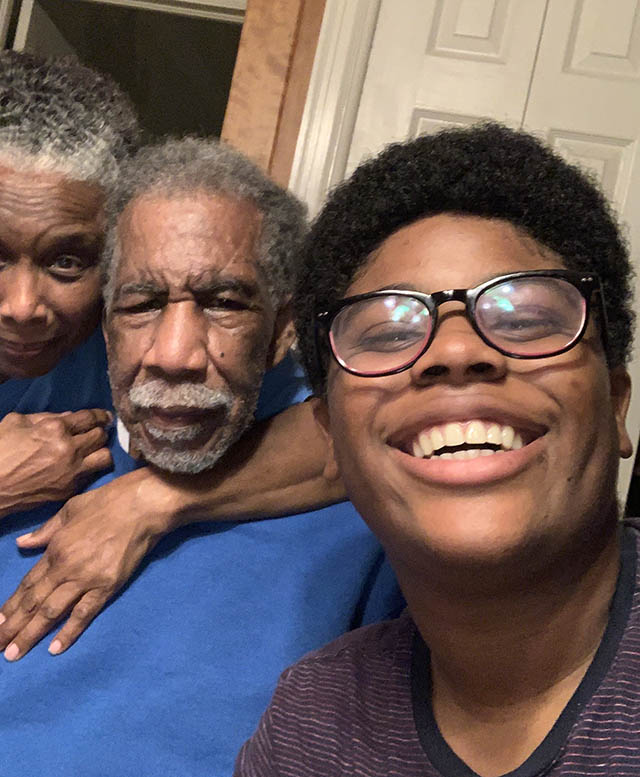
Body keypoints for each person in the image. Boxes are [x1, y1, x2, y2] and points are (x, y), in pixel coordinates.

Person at [0, 138, 402, 777]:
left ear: (282, 328)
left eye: (223, 303)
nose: (175, 354)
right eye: (141, 305)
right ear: (104, 327)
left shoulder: (367, 526)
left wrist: (158, 501)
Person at [0, 50, 348, 656]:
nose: (24, 306)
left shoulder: (145, 322)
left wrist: (152, 501)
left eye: (67, 261)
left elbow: (348, 432)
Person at [235, 123, 640, 777]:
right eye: (390, 330)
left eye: (525, 317)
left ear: (616, 404)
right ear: (329, 438)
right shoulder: (308, 729)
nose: (456, 351)